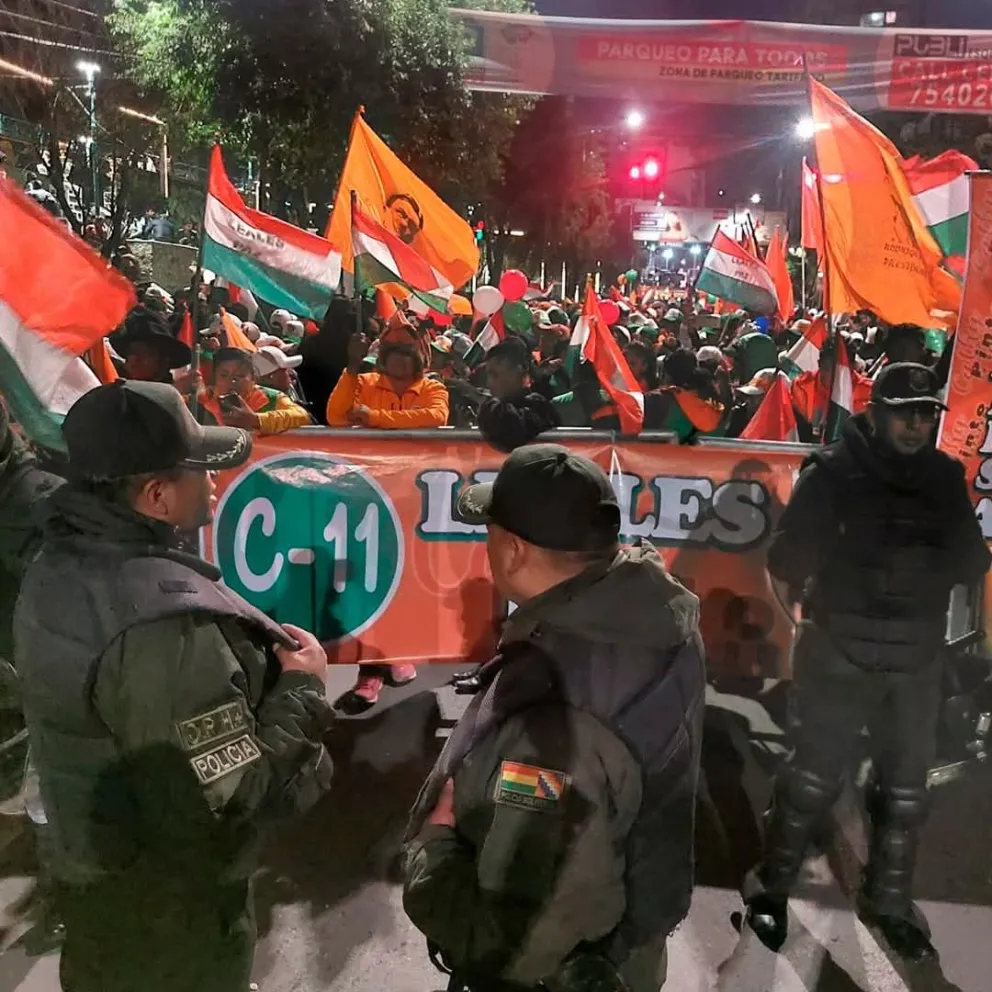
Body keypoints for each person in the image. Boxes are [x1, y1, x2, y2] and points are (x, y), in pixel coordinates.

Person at [14, 379, 335, 992]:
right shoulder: (165, 631)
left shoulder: (58, 560)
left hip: (101, 894)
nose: (214, 481)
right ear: (157, 495)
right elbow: (231, 806)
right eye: (200, 470)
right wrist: (303, 691)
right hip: (171, 929)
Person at [403, 444, 706, 992]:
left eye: (490, 530)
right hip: (629, 947)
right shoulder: (649, 612)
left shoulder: (555, 715)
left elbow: (518, 938)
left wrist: (434, 849)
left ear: (514, 551)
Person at [743, 363, 991, 962]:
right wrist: (806, 626)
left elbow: (969, 565)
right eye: (905, 411)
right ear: (876, 412)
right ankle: (770, 889)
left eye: (927, 412)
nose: (916, 423)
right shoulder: (834, 474)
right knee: (811, 781)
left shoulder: (941, 477)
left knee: (905, 792)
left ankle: (888, 902)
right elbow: (786, 559)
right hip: (840, 651)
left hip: (915, 658)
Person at [325, 323, 449, 431]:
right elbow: (336, 417)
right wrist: (353, 364)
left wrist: (373, 417)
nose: (398, 358)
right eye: (392, 352)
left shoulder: (433, 388)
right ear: (383, 358)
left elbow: (437, 417)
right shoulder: (364, 382)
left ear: (418, 360)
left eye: (406, 353)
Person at [198, 347, 312, 435]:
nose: (232, 381)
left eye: (240, 375)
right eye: (224, 375)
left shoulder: (272, 398)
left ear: (253, 378)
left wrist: (256, 420)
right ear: (214, 377)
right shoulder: (203, 399)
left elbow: (303, 416)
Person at [476, 336, 559, 452]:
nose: (489, 383)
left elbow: (509, 431)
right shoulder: (500, 406)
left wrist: (483, 401)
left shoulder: (538, 406)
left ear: (518, 370)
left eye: (495, 375)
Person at [790, 338, 871, 442]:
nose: (835, 376)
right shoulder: (802, 387)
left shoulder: (868, 392)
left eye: (841, 370)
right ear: (820, 364)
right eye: (828, 368)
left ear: (852, 367)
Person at [113, 306, 192, 384]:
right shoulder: (114, 387)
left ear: (163, 361)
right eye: (130, 353)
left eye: (142, 353)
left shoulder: (177, 395)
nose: (133, 360)